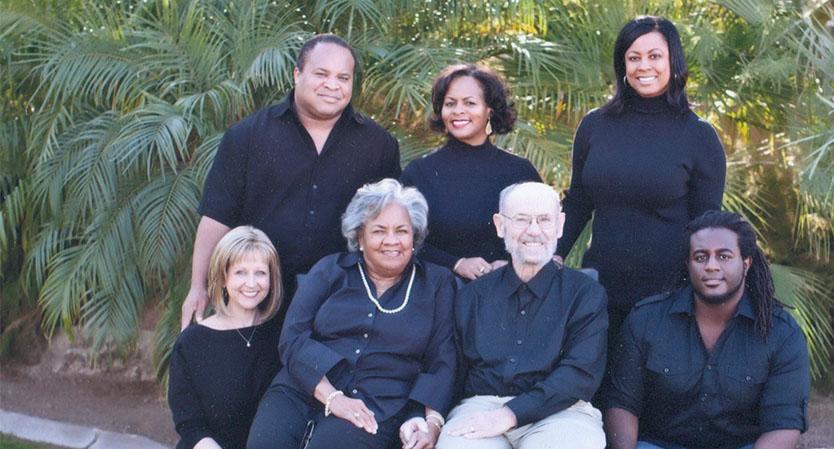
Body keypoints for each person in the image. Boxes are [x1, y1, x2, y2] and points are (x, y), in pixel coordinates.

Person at [245, 179, 456, 449]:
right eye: (379, 231)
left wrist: (431, 421)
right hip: (302, 386)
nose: (391, 241)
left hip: (379, 402)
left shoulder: (437, 283)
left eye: (402, 231)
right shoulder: (330, 270)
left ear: (415, 238)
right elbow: (293, 338)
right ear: (360, 236)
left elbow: (443, 358)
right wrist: (333, 398)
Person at [603, 210, 815, 449]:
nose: (712, 265)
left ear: (746, 263)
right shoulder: (646, 320)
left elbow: (783, 424)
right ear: (688, 265)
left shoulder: (780, 333)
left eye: (724, 256)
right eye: (701, 256)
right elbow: (622, 402)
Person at [181, 33, 400, 329]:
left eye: (343, 77)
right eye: (321, 74)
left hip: (344, 305)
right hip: (258, 300)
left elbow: (391, 227)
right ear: (297, 74)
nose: (332, 85)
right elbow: (217, 216)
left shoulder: (378, 145)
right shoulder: (247, 136)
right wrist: (198, 286)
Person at [422, 182, 608, 449]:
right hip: (482, 405)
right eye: (521, 219)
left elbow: (579, 375)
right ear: (500, 225)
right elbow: (447, 363)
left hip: (560, 412)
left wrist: (509, 415)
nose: (533, 231)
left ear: (561, 226)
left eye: (544, 220)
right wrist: (431, 419)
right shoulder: (473, 295)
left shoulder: (585, 294)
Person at [556, 16, 727, 364]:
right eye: (633, 57)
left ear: (673, 61)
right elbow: (577, 203)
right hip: (599, 291)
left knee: (657, 406)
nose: (643, 66)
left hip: (669, 297)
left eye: (654, 56)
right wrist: (552, 255)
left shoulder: (699, 135)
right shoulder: (594, 125)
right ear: (622, 65)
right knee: (598, 400)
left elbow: (708, 227)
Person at [158, 226, 284, 449]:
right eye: (240, 272)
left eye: (261, 273)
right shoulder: (193, 342)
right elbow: (190, 428)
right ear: (223, 277)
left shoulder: (282, 336)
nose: (252, 283)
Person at [401, 63, 541, 281]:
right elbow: (402, 240)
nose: (458, 110)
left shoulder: (520, 171)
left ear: (490, 111)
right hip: (437, 294)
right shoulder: (419, 172)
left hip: (510, 294)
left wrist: (515, 263)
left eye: (470, 103)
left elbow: (544, 235)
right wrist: (455, 263)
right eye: (450, 103)